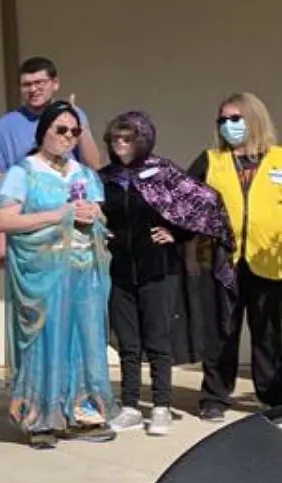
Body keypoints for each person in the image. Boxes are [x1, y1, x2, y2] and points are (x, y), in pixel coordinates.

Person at [98, 112, 234, 436]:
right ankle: (130, 405)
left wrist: (177, 233)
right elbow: (94, 211)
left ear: (142, 139)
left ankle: (161, 406)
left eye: (128, 138)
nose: (121, 144)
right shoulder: (105, 177)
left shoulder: (162, 172)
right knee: (129, 343)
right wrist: (101, 232)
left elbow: (207, 202)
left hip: (158, 268)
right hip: (120, 269)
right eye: (116, 138)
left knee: (158, 340)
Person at [189, 92, 282, 420]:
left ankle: (275, 394)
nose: (227, 126)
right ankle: (215, 396)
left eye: (235, 119)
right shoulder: (210, 160)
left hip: (271, 257)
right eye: (222, 120)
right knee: (221, 330)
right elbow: (186, 204)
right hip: (221, 259)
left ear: (253, 119)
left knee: (268, 328)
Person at [0, 101, 116, 448]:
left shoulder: (83, 173)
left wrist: (93, 213)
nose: (68, 137)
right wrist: (60, 214)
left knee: (85, 339)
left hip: (82, 270)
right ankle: (40, 418)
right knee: (46, 340)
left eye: (74, 131)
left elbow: (99, 216)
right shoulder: (24, 172)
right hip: (44, 274)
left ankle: (83, 412)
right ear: (43, 131)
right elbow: (5, 220)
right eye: (60, 129)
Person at [0, 57, 101, 188]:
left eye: (39, 82)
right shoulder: (7, 125)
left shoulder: (73, 116)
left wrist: (80, 127)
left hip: (70, 200)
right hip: (27, 204)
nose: (33, 89)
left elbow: (94, 167)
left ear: (55, 83)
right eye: (26, 85)